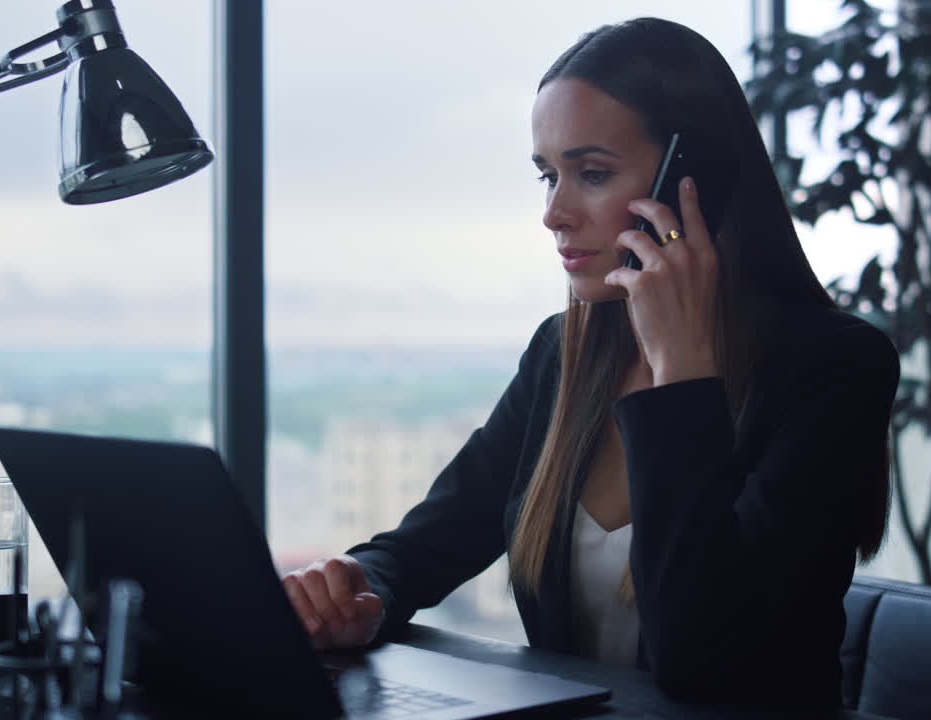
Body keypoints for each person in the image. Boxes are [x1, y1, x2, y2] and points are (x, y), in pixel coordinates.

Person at [282, 17, 899, 710]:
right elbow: (428, 542)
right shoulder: (562, 355)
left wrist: (683, 367)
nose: (554, 213)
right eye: (548, 176)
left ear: (694, 180)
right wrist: (355, 589)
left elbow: (702, 654)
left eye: (592, 173)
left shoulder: (836, 368)